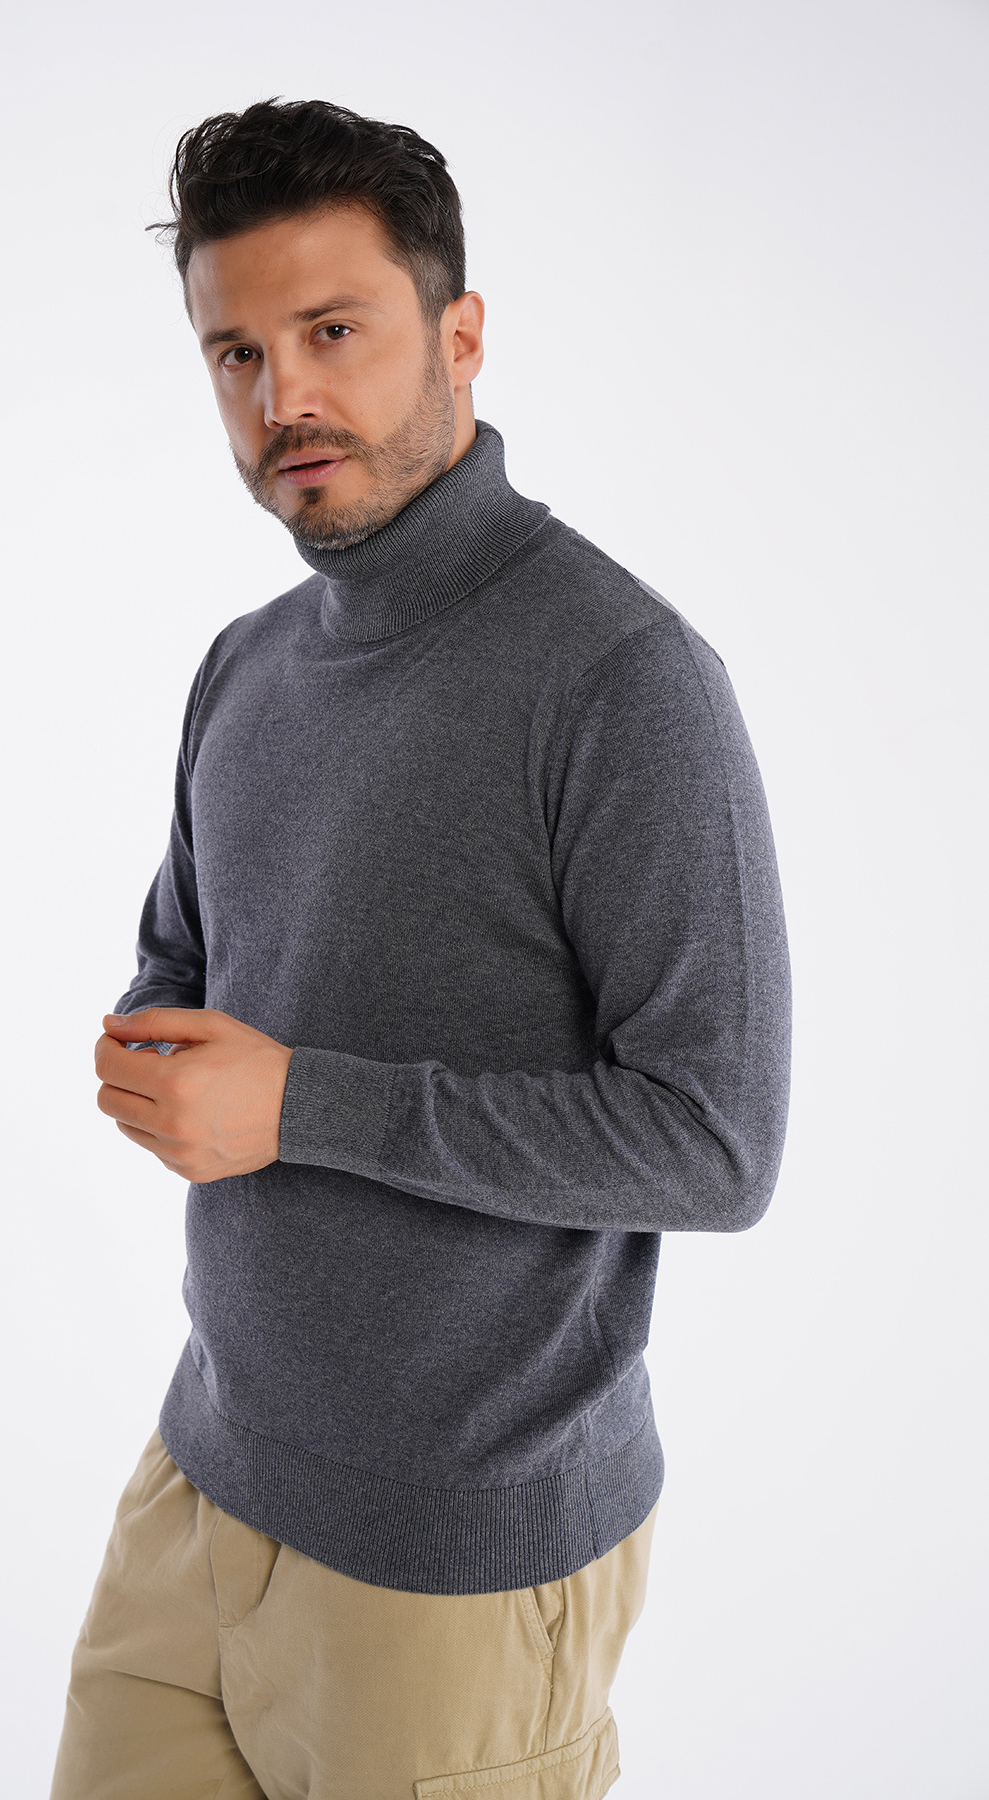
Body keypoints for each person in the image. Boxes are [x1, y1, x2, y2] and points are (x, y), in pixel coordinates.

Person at [50, 97, 792, 1800]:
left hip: (453, 1573)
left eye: (332, 332)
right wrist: (156, 1046)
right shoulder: (245, 663)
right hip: (199, 1481)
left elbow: (716, 1143)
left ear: (458, 337)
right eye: (236, 353)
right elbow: (183, 956)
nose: (281, 399)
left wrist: (295, 1103)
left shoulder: (623, 680)